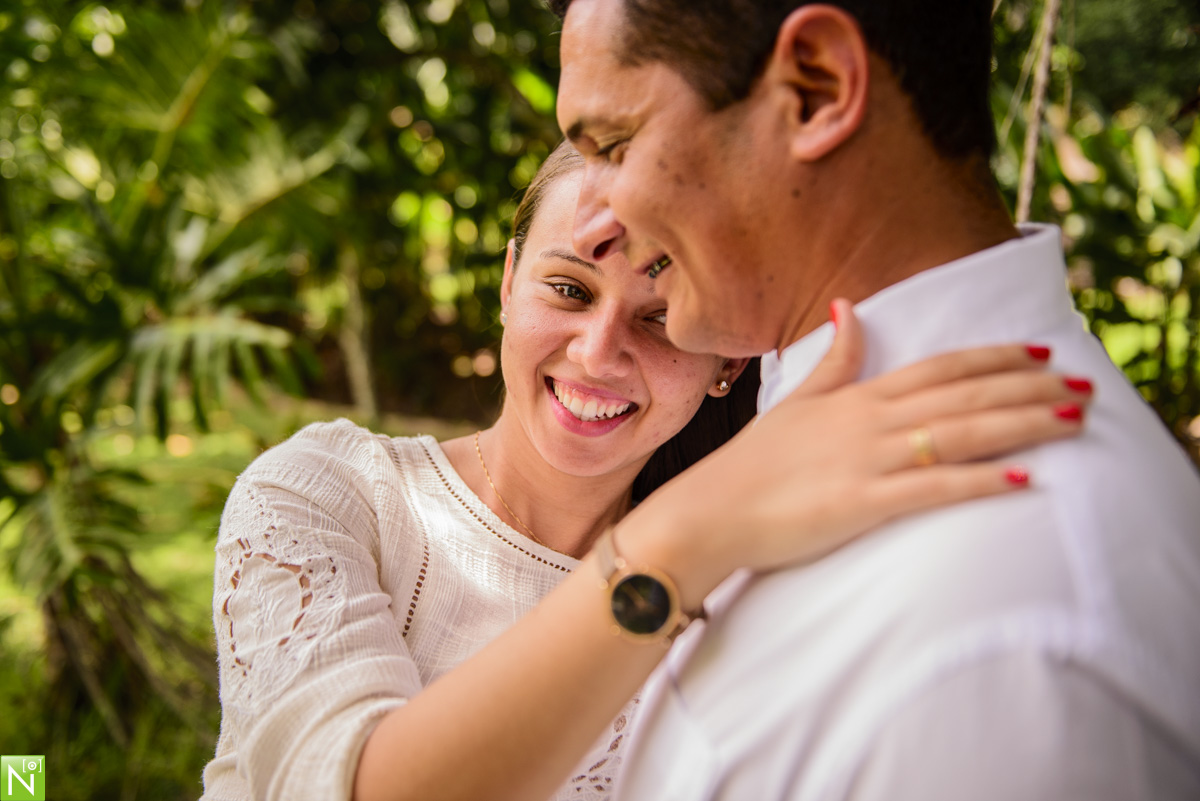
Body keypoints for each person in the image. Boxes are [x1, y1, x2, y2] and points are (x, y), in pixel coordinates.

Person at [201, 142, 1092, 801]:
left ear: (727, 364)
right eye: (568, 288)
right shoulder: (324, 493)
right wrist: (687, 530)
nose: (598, 352)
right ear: (509, 282)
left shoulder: (736, 602)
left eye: (661, 321)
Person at [549, 1, 1200, 799]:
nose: (586, 227)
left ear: (817, 88)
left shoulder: (1007, 629)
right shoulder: (792, 442)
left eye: (613, 145)